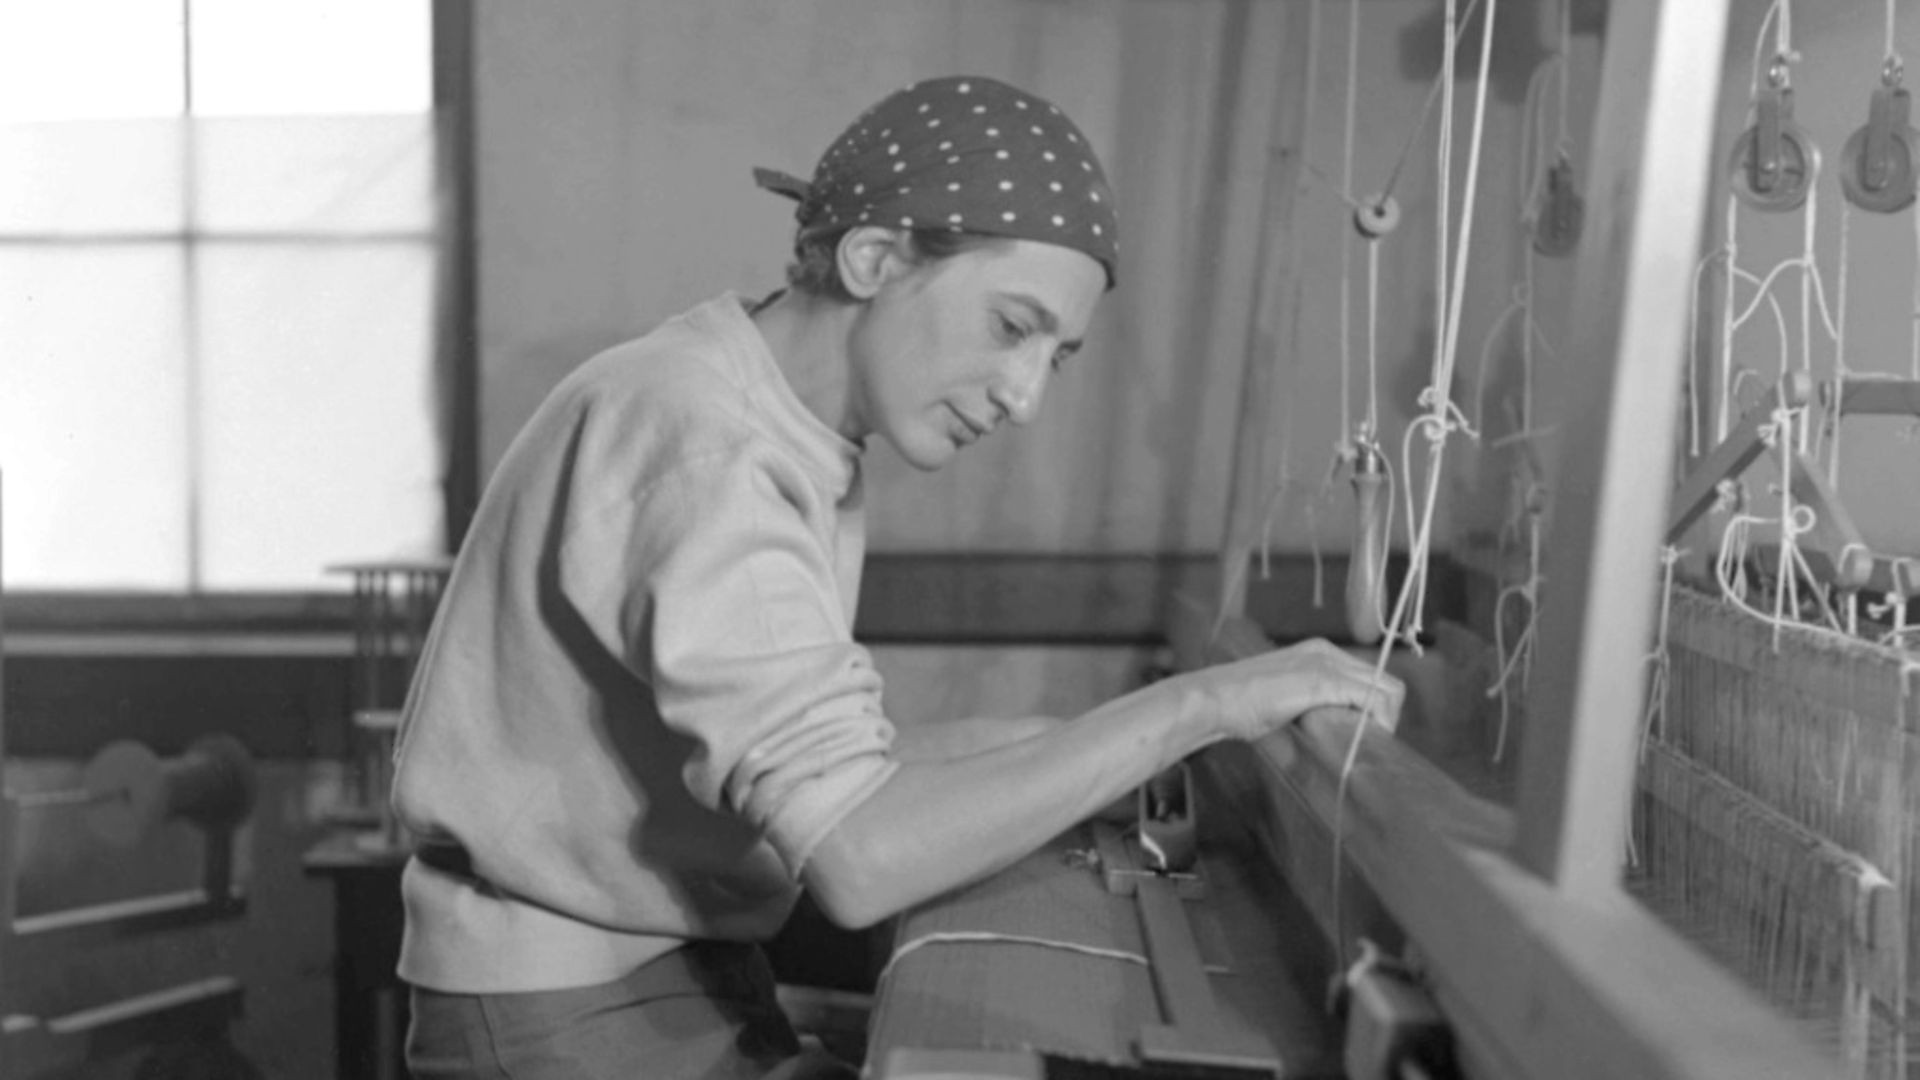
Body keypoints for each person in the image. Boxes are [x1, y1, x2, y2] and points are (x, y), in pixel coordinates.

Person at [390, 75, 1402, 1080]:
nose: (1024, 398)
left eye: (1059, 357)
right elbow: (861, 855)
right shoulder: (710, 450)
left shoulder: (766, 425)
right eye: (1013, 326)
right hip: (564, 1016)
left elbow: (834, 767)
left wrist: (1087, 749)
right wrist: (1200, 707)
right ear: (873, 258)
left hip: (646, 979)